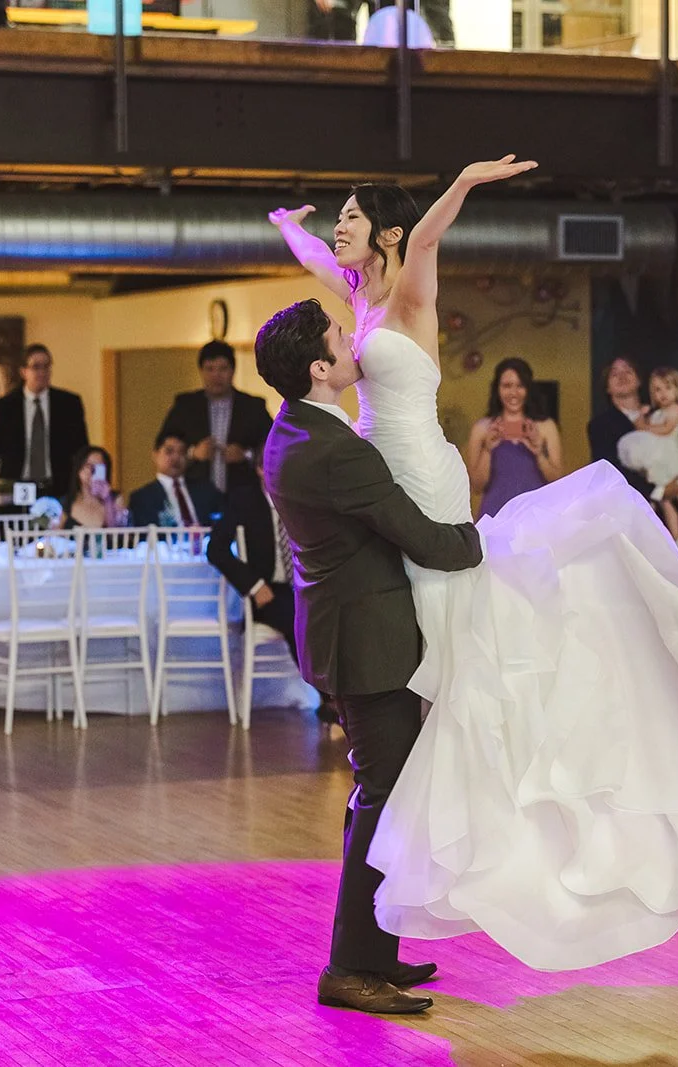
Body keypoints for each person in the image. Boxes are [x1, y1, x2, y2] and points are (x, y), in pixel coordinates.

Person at [268, 159, 678, 977]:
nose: (336, 227)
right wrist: (288, 230)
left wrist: (465, 184)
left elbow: (430, 231)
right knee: (433, 683)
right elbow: (320, 265)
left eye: (348, 216)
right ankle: (386, 917)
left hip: (418, 482)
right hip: (389, 488)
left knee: (475, 643)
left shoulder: (409, 290)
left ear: (385, 231)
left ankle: (418, 885)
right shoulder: (360, 300)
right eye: (333, 216)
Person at [255, 299, 484, 1016]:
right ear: (321, 370)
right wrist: (482, 545)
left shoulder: (292, 432)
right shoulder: (337, 451)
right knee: (383, 797)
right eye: (340, 338)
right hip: (367, 643)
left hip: (347, 632)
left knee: (379, 795)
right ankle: (349, 967)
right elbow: (416, 531)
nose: (355, 342)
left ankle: (375, 950)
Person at [205, 452, 337, 725]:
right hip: (267, 590)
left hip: (303, 585)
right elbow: (216, 549)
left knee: (335, 611)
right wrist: (253, 585)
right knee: (295, 614)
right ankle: (331, 700)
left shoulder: (300, 498)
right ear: (260, 470)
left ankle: (348, 694)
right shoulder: (245, 500)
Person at [586, 357, 678, 547]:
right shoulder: (600, 425)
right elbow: (611, 469)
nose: (622, 376)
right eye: (614, 373)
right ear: (607, 388)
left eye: (628, 370)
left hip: (669, 511)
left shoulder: (662, 414)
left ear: (639, 380)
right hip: (628, 516)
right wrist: (658, 490)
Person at [0, 344, 90, 508]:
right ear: (23, 371)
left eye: (47, 366)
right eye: (36, 367)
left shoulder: (69, 404)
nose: (42, 372)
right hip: (15, 489)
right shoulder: (5, 406)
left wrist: (85, 482)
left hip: (58, 489)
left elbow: (81, 449)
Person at [158, 341, 274, 495]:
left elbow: (274, 448)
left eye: (223, 369)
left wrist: (246, 455)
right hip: (196, 495)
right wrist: (193, 453)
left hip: (244, 495)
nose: (216, 376)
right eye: (210, 369)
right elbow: (162, 446)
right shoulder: (185, 406)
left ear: (233, 371)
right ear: (201, 371)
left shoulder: (253, 407)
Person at [616, 366, 678, 549]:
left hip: (669, 456)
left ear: (677, 390)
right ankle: (666, 527)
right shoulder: (656, 412)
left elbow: (666, 430)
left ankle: (676, 535)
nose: (662, 394)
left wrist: (645, 428)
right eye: (657, 389)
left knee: (666, 498)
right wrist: (644, 417)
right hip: (656, 457)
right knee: (661, 499)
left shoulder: (674, 410)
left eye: (667, 388)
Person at [463, 357, 561, 518]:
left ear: (528, 389)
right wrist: (487, 450)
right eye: (507, 386)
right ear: (497, 389)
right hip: (496, 515)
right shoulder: (482, 429)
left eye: (520, 386)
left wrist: (538, 453)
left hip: (537, 516)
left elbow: (557, 482)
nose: (513, 393)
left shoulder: (545, 427)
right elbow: (477, 486)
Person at [126, 430, 222, 528]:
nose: (176, 458)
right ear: (155, 455)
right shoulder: (142, 498)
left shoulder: (206, 490)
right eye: (169, 451)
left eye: (182, 452)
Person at [61, 446, 127, 529]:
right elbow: (53, 535)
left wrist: (107, 499)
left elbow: (118, 533)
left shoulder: (115, 499)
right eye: (88, 466)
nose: (92, 471)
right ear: (79, 469)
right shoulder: (67, 502)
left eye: (98, 467)